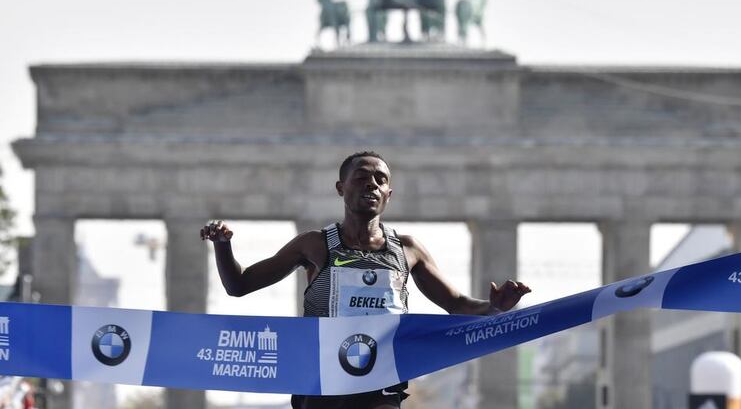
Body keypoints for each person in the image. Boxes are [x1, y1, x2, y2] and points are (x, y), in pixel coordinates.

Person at [201, 151, 531, 409]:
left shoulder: (408, 249)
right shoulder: (314, 244)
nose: (371, 184)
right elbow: (239, 285)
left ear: (389, 193)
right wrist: (222, 245)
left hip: (380, 373)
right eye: (361, 178)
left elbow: (456, 304)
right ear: (340, 188)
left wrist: (493, 307)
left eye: (380, 179)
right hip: (321, 375)